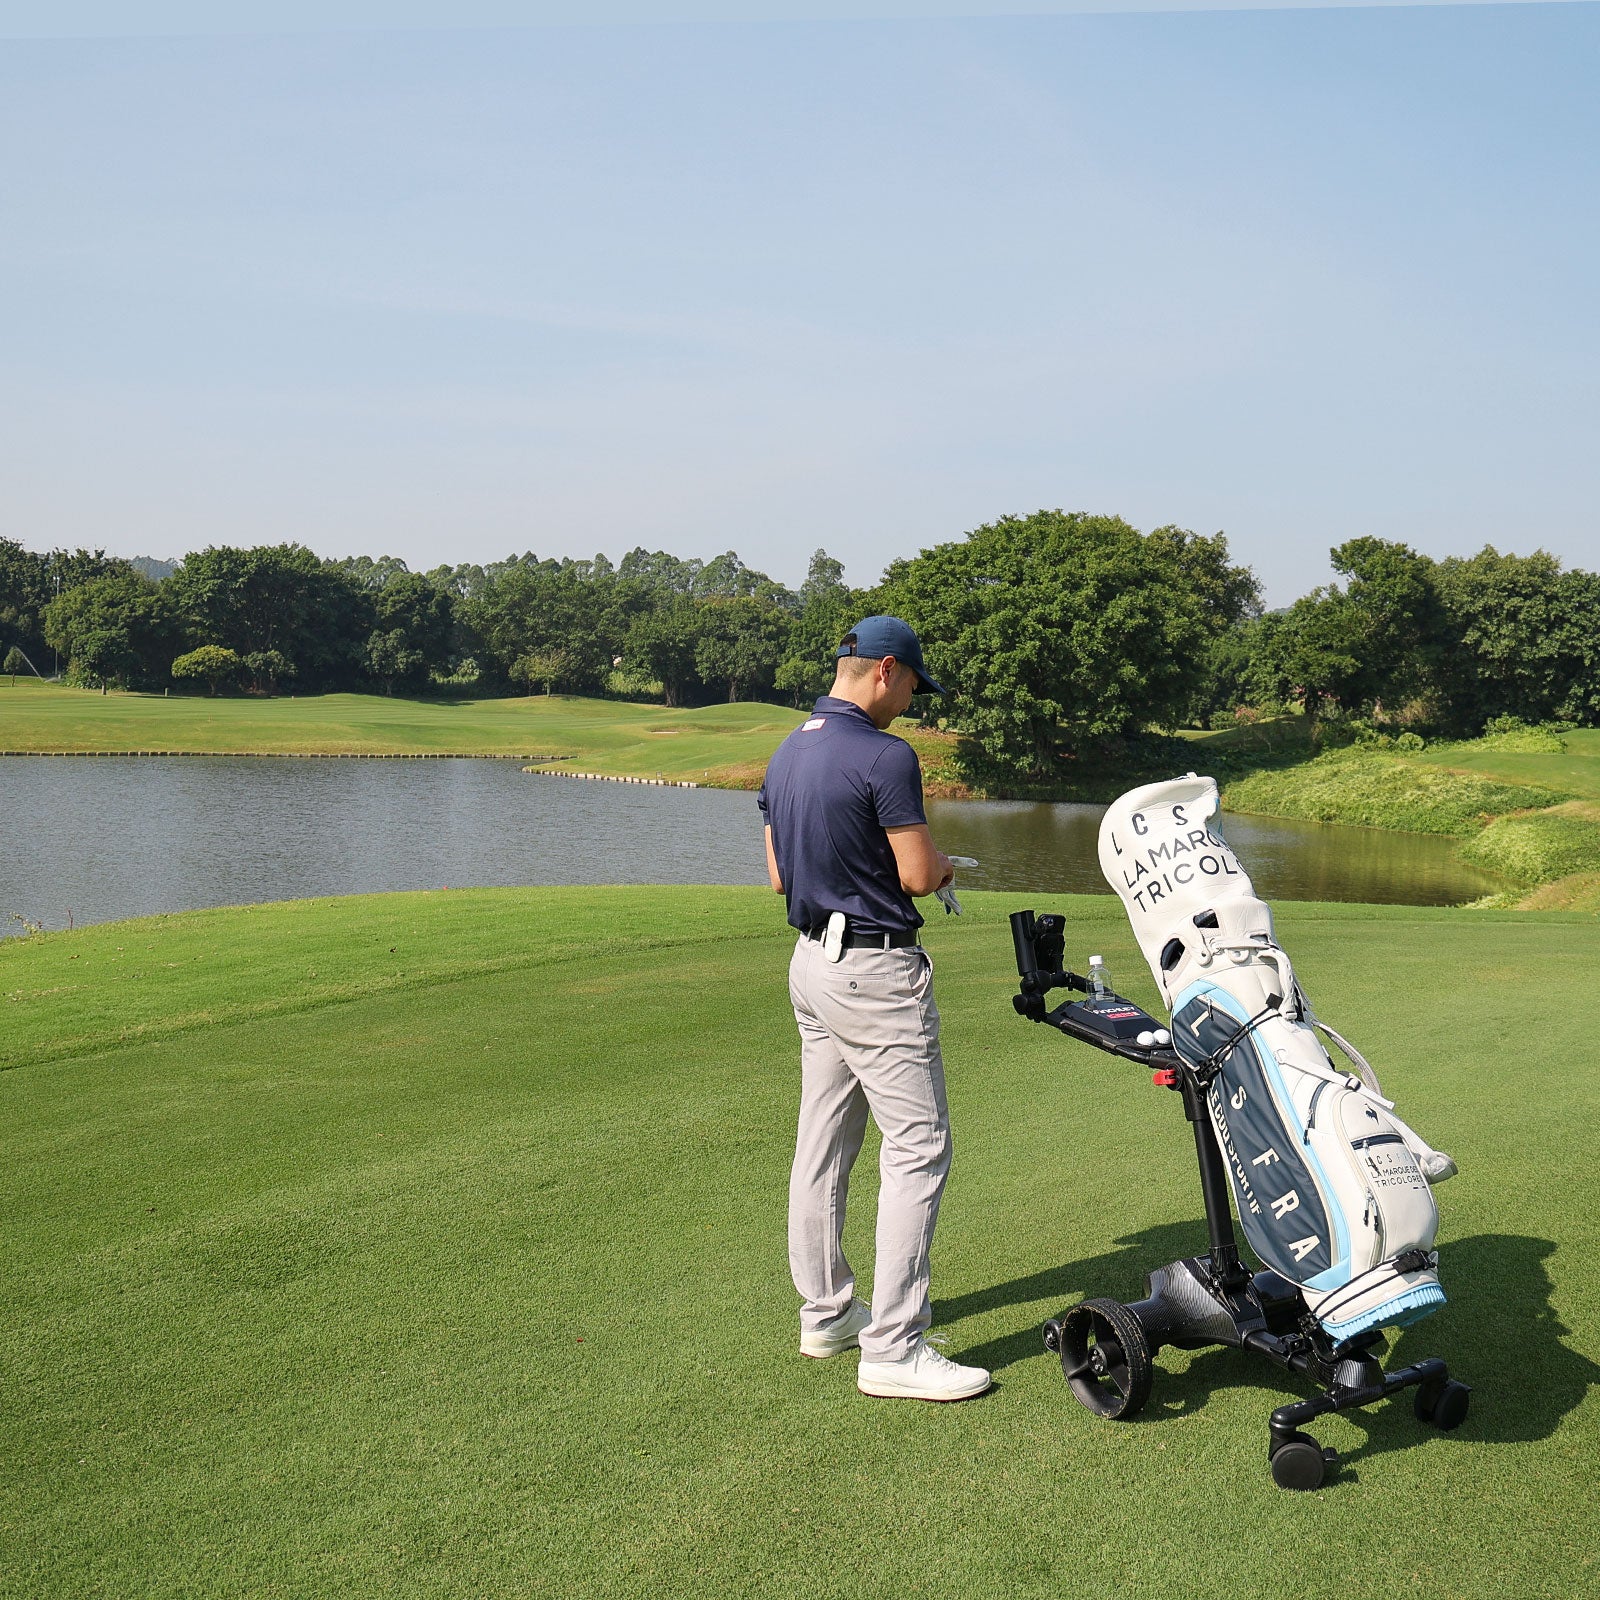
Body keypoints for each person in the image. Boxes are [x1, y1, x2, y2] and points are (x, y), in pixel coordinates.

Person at [757, 615, 991, 1402]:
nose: (911, 707)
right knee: (918, 1149)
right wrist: (948, 863)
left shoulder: (789, 750)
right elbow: (920, 874)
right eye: (913, 690)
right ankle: (893, 1347)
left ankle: (826, 1314)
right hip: (874, 974)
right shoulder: (887, 755)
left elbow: (779, 879)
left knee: (823, 1141)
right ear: (884, 669)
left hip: (810, 966)